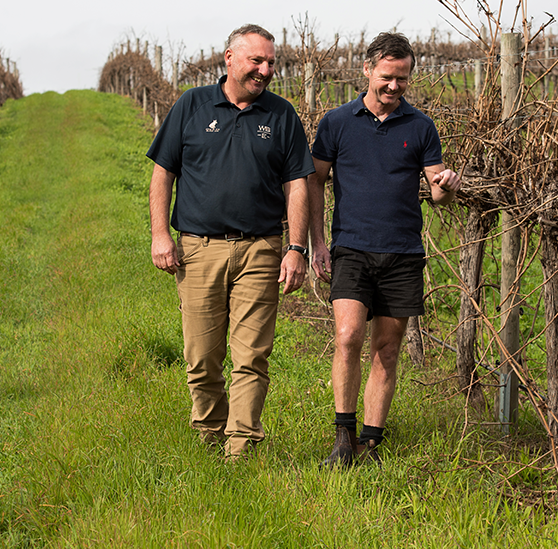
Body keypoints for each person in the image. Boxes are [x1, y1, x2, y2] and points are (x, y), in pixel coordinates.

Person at [148, 23, 314, 460]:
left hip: (260, 248)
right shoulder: (192, 105)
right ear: (229, 58)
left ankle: (240, 447)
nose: (265, 70)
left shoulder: (281, 115)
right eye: (256, 61)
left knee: (251, 356)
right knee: (202, 357)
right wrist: (160, 234)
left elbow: (298, 183)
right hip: (198, 248)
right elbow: (163, 171)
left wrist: (296, 248)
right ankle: (208, 432)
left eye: (271, 63)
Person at [309, 31, 461, 467]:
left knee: (387, 350)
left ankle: (370, 444)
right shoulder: (337, 122)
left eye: (403, 79)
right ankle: (342, 438)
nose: (395, 86)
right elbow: (316, 180)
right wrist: (318, 242)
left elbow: (437, 194)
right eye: (388, 77)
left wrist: (448, 186)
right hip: (352, 248)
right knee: (347, 337)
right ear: (368, 71)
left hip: (403, 253)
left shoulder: (421, 126)